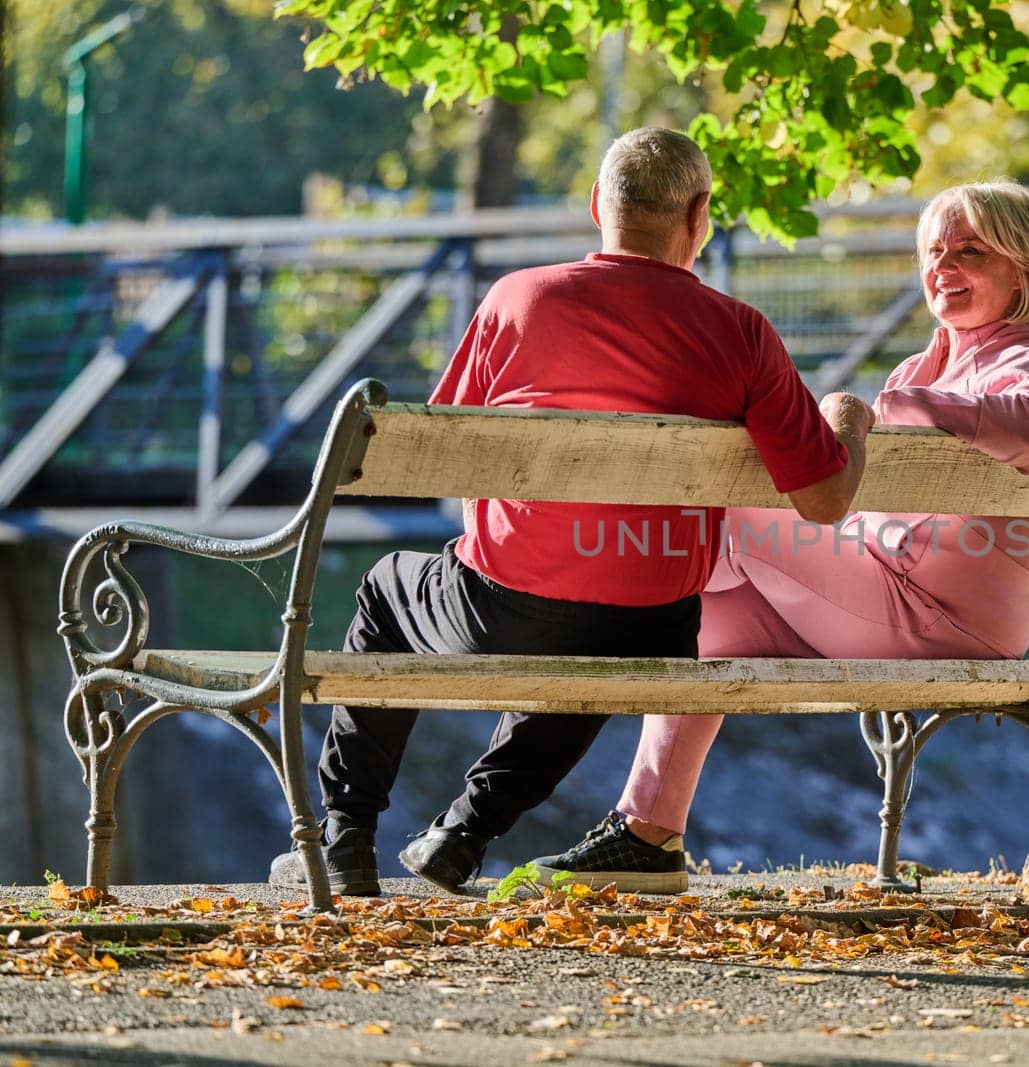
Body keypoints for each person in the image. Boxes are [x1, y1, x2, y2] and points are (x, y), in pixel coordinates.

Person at [268, 127, 875, 896]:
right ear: (699, 215)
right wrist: (849, 419)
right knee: (600, 624)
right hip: (656, 624)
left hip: (504, 610)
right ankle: (465, 833)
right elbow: (825, 501)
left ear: (598, 205)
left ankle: (344, 838)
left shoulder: (520, 298)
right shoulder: (742, 330)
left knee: (391, 587)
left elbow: (447, 450)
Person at [532, 180, 1029, 893]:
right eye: (933, 252)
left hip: (939, 617)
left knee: (732, 509)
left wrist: (890, 408)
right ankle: (647, 833)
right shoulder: (923, 364)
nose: (944, 267)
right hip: (884, 593)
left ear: (1024, 269)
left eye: (970, 250)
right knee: (708, 623)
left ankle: (586, 600)